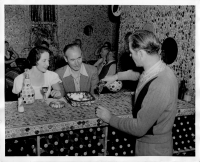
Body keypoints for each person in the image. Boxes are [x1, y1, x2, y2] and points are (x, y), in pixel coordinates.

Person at [96, 30, 178, 156]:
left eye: (131, 52)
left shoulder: (161, 84)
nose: (130, 56)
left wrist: (110, 118)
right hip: (150, 145)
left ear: (140, 53)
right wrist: (116, 76)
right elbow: (138, 75)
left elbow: (138, 128)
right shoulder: (159, 69)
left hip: (154, 150)